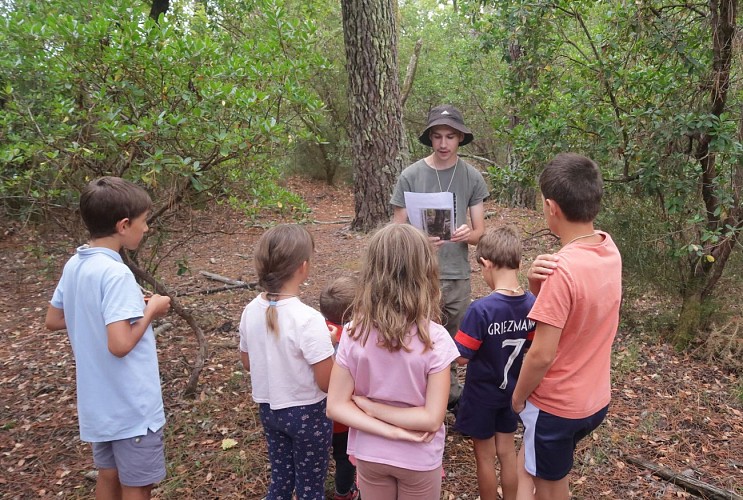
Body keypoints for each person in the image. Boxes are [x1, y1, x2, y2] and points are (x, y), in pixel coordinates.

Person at [44, 176, 172, 500]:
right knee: (137, 485)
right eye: (143, 222)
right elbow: (120, 344)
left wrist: (118, 311)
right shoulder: (116, 273)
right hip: (130, 406)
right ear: (123, 225)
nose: (146, 229)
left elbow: (54, 318)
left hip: (99, 405)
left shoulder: (76, 264)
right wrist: (151, 310)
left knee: (109, 475)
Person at [511, 153, 622, 500]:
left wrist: (517, 398)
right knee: (532, 467)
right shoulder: (608, 248)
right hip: (594, 399)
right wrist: (537, 288)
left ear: (551, 207)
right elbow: (580, 314)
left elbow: (541, 355)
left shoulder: (563, 270)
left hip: (556, 407)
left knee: (549, 489)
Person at [326, 223, 460, 500]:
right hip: (419, 456)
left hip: (370, 453)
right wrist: (397, 431)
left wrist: (373, 409)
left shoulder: (353, 332)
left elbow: (336, 405)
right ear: (426, 272)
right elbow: (431, 419)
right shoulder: (436, 339)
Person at [390, 104, 489, 407]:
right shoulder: (411, 175)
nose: (443, 144)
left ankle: (450, 396)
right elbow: (396, 231)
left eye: (450, 136)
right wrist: (419, 242)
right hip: (418, 273)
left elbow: (480, 233)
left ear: (460, 138)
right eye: (437, 136)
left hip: (456, 273)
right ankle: (415, 394)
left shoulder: (471, 176)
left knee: (453, 339)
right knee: (416, 334)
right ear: (430, 138)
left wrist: (466, 234)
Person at [239, 224, 335, 500]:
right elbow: (326, 382)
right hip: (308, 414)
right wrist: (331, 347)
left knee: (280, 479)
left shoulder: (250, 310)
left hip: (269, 410)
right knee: (310, 487)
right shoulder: (308, 319)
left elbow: (248, 362)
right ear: (303, 267)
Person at [453, 226, 536, 500]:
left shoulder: (481, 310)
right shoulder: (532, 304)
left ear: (485, 263)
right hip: (511, 392)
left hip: (481, 395)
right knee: (507, 453)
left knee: (485, 457)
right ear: (519, 263)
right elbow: (531, 345)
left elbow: (462, 356)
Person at [319, 276, 360, 500]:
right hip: (344, 415)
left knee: (316, 455)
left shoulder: (314, 329)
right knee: (344, 457)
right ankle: (343, 492)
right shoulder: (355, 336)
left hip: (316, 412)